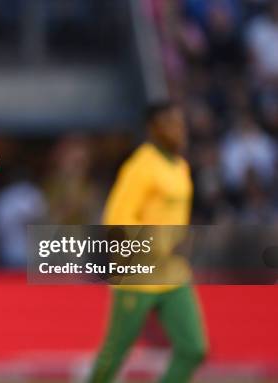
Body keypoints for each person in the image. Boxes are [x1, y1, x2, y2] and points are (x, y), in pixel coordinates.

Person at [89, 102, 207, 383]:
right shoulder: (140, 167)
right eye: (171, 124)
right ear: (154, 129)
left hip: (174, 274)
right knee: (114, 356)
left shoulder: (180, 166)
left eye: (181, 123)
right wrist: (160, 244)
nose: (180, 130)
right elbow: (117, 218)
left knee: (193, 349)